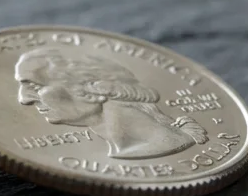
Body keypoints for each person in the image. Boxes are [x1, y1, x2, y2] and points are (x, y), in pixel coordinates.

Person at [14, 48, 208, 159]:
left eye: (34, 85)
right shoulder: (123, 151)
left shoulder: (162, 144)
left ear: (94, 89)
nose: (24, 99)